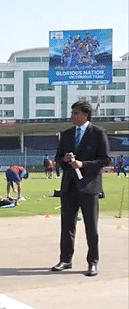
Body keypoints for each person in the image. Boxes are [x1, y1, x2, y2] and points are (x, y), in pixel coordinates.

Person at [52, 100, 111, 277]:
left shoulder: (98, 133)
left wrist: (82, 164)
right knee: (67, 225)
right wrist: (65, 159)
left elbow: (105, 160)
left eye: (75, 113)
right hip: (69, 186)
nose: (72, 116)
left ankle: (92, 262)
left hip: (89, 187)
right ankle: (65, 260)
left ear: (84, 115)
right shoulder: (67, 134)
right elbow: (58, 157)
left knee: (91, 226)